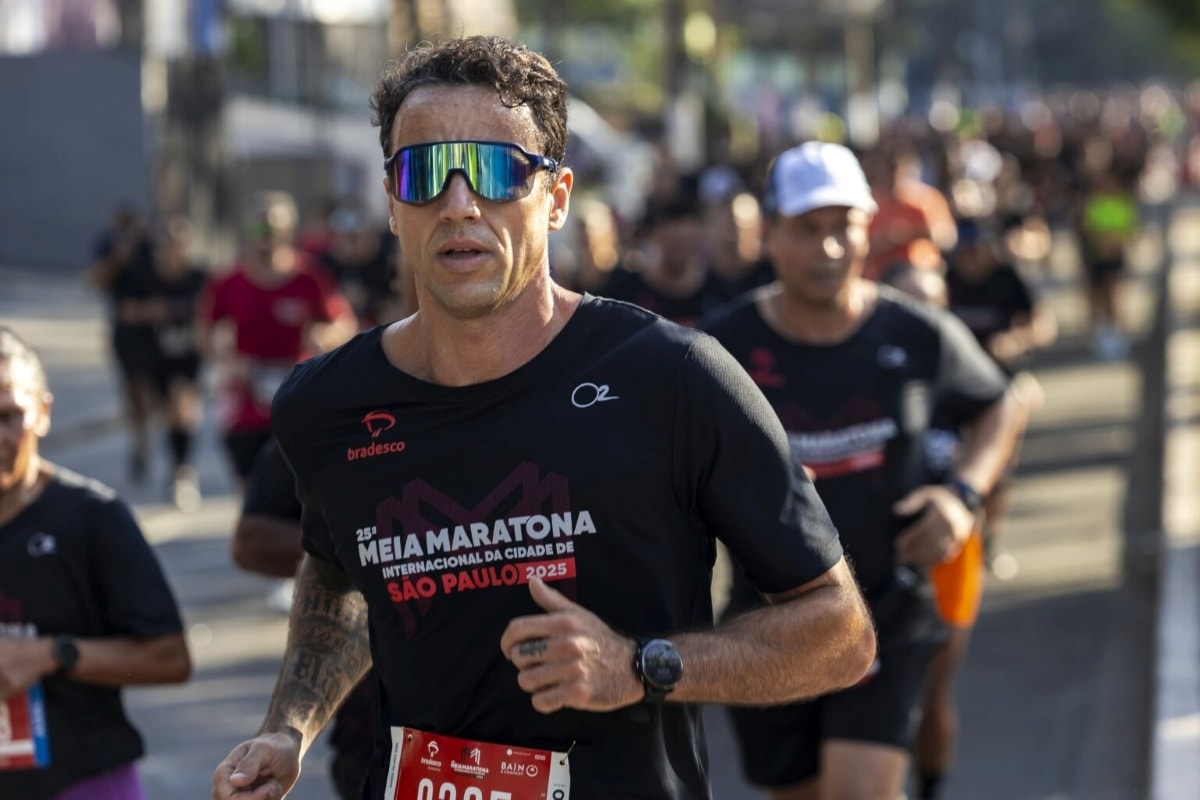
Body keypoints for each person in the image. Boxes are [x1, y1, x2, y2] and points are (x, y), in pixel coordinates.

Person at [212, 35, 875, 800]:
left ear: (556, 198)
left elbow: (840, 633)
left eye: (495, 171)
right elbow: (338, 573)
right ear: (394, 203)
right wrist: (288, 726)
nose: (459, 204)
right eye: (424, 174)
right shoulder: (325, 405)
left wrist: (641, 667)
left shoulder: (671, 378)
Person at [702, 141, 1025, 800]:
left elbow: (1000, 406)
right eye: (806, 229)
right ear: (770, 235)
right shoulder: (720, 350)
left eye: (842, 228)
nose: (827, 248)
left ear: (867, 230)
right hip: (767, 620)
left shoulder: (915, 333)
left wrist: (962, 496)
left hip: (885, 605)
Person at [0, 326, 192, 800]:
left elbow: (170, 657)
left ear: (42, 413)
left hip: (79, 782)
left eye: (8, 416)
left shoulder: (90, 516)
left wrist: (49, 655)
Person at [230, 440, 378, 800]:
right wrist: (285, 731)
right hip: (378, 739)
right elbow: (249, 540)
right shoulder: (338, 401)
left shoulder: (538, 400)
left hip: (528, 743)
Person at [198, 190, 357, 488]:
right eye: (258, 229)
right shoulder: (227, 283)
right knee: (252, 496)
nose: (267, 237)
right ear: (246, 232)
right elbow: (205, 331)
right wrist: (227, 362)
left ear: (289, 232)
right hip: (247, 401)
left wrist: (324, 336)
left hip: (297, 395)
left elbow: (344, 324)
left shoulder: (310, 278)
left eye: (275, 229)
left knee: (300, 494)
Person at [86, 204, 158, 483]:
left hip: (156, 331)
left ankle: (156, 438)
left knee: (157, 391)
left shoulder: (151, 245)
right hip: (126, 333)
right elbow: (94, 281)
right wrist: (118, 257)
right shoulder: (110, 245)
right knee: (133, 390)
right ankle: (141, 441)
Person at [143, 217, 209, 510]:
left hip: (189, 356)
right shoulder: (148, 278)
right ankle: (175, 468)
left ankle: (184, 473)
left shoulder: (198, 278)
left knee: (186, 410)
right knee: (169, 416)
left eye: (179, 244)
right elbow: (128, 310)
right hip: (156, 355)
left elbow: (211, 310)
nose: (174, 251)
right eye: (168, 245)